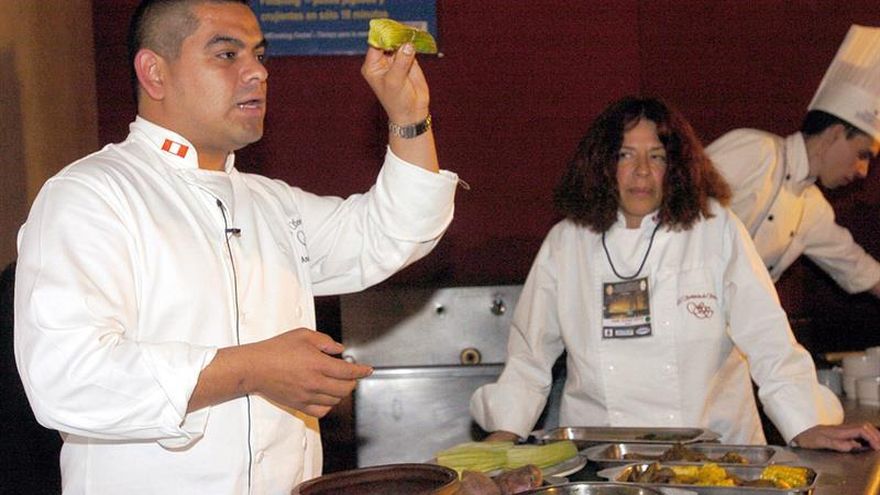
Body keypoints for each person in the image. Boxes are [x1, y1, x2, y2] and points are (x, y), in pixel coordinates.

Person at [14, 0, 458, 493]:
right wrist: (253, 369)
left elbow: (393, 232)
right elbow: (67, 377)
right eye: (227, 55)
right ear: (154, 73)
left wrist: (409, 116)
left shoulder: (272, 204)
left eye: (259, 55)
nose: (258, 73)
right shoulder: (92, 195)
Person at [470, 96, 880, 453]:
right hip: (602, 460)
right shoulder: (567, 242)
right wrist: (503, 435)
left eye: (657, 156)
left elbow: (767, 335)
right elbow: (530, 355)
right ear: (601, 164)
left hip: (714, 460)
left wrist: (805, 422)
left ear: (678, 166)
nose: (642, 171)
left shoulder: (715, 227)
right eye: (625, 155)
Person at [706, 25, 880, 295]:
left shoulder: (813, 208)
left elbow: (858, 268)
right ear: (835, 134)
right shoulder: (756, 150)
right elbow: (674, 200)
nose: (863, 171)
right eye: (863, 154)